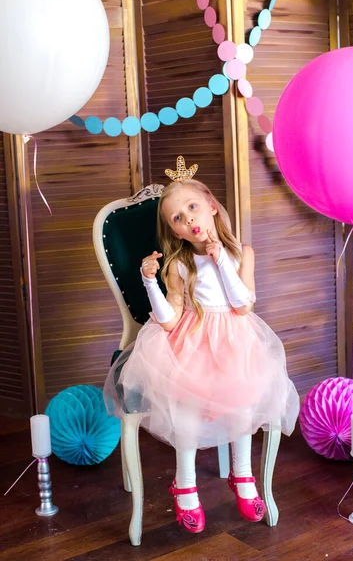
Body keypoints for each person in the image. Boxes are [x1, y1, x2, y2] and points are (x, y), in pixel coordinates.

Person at [104, 158, 299, 534]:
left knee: (243, 405)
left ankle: (243, 477)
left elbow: (242, 304)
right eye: (176, 218)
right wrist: (149, 283)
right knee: (188, 413)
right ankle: (185, 486)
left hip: (236, 340)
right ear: (174, 232)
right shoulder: (178, 265)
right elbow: (169, 320)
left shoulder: (242, 253)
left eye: (192, 207)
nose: (187, 219)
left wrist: (221, 260)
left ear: (210, 204)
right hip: (191, 341)